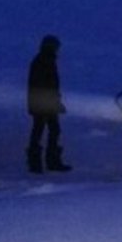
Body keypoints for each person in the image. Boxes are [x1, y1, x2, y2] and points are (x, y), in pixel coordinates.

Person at [27, 34, 71, 173]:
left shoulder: (44, 60)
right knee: (44, 131)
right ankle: (41, 163)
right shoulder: (44, 61)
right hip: (43, 103)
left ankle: (44, 162)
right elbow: (46, 85)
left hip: (44, 102)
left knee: (48, 130)